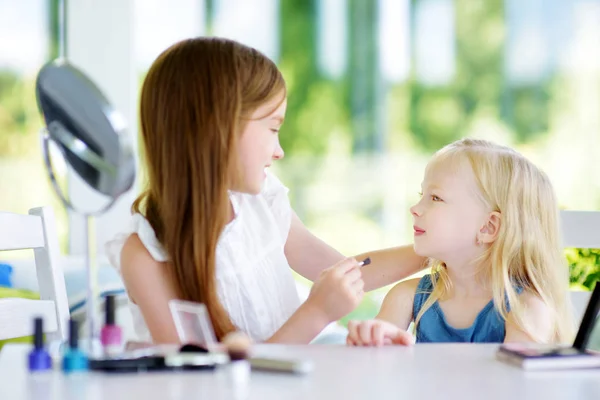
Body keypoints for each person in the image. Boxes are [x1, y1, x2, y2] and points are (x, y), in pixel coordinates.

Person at [106, 37, 425, 345]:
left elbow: (350, 273)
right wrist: (316, 313)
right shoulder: (146, 255)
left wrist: (432, 250)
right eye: (272, 128)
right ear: (218, 129)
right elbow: (202, 380)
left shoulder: (261, 203)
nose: (279, 151)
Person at [347, 138, 574, 346]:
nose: (415, 209)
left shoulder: (526, 308)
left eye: (435, 198)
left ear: (488, 227)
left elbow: (515, 388)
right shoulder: (406, 297)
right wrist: (371, 342)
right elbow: (375, 374)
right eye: (421, 195)